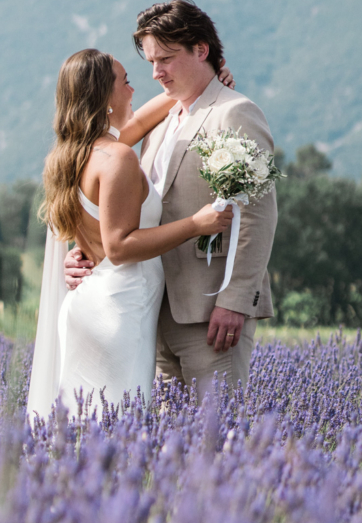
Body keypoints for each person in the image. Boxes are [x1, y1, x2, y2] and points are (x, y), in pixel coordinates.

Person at [64, 0, 278, 400]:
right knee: (168, 450)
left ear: (201, 50)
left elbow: (256, 215)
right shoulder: (160, 122)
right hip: (150, 311)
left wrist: (235, 300)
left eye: (166, 58)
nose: (156, 73)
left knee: (216, 443)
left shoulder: (235, 113)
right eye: (149, 62)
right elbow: (108, 192)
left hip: (210, 313)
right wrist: (84, 249)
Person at [27, 49, 234, 420]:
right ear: (106, 97)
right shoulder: (118, 158)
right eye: (125, 81)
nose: (134, 89)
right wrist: (196, 225)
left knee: (83, 424)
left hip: (92, 304)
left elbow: (142, 120)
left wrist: (203, 85)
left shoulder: (73, 156)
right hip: (120, 309)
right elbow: (119, 247)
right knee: (117, 424)